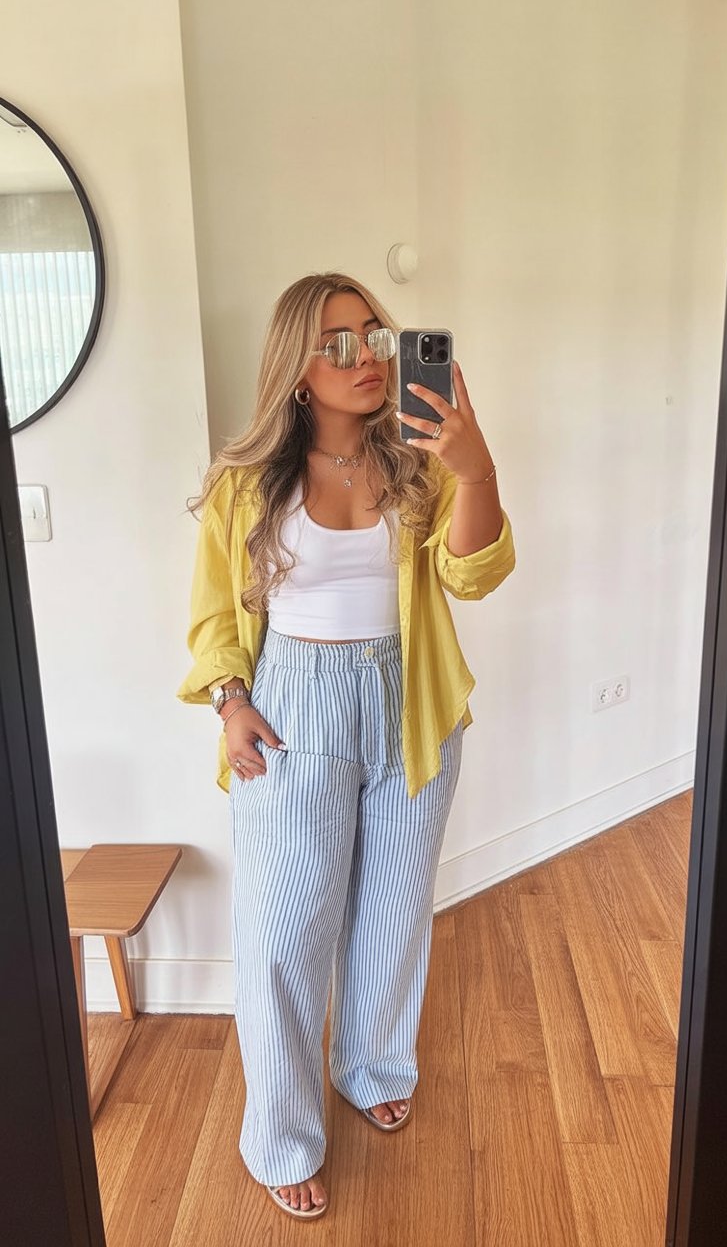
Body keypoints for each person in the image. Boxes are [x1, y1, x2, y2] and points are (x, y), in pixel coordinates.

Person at [177, 271, 515, 1221]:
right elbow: (215, 616)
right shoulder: (246, 484)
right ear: (297, 368)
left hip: (412, 703)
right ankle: (282, 1135)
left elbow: (474, 575)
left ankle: (373, 1067)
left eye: (372, 334)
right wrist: (230, 700)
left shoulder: (420, 460)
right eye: (335, 344)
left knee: (394, 912)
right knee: (284, 933)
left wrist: (476, 468)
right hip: (294, 709)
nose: (363, 356)